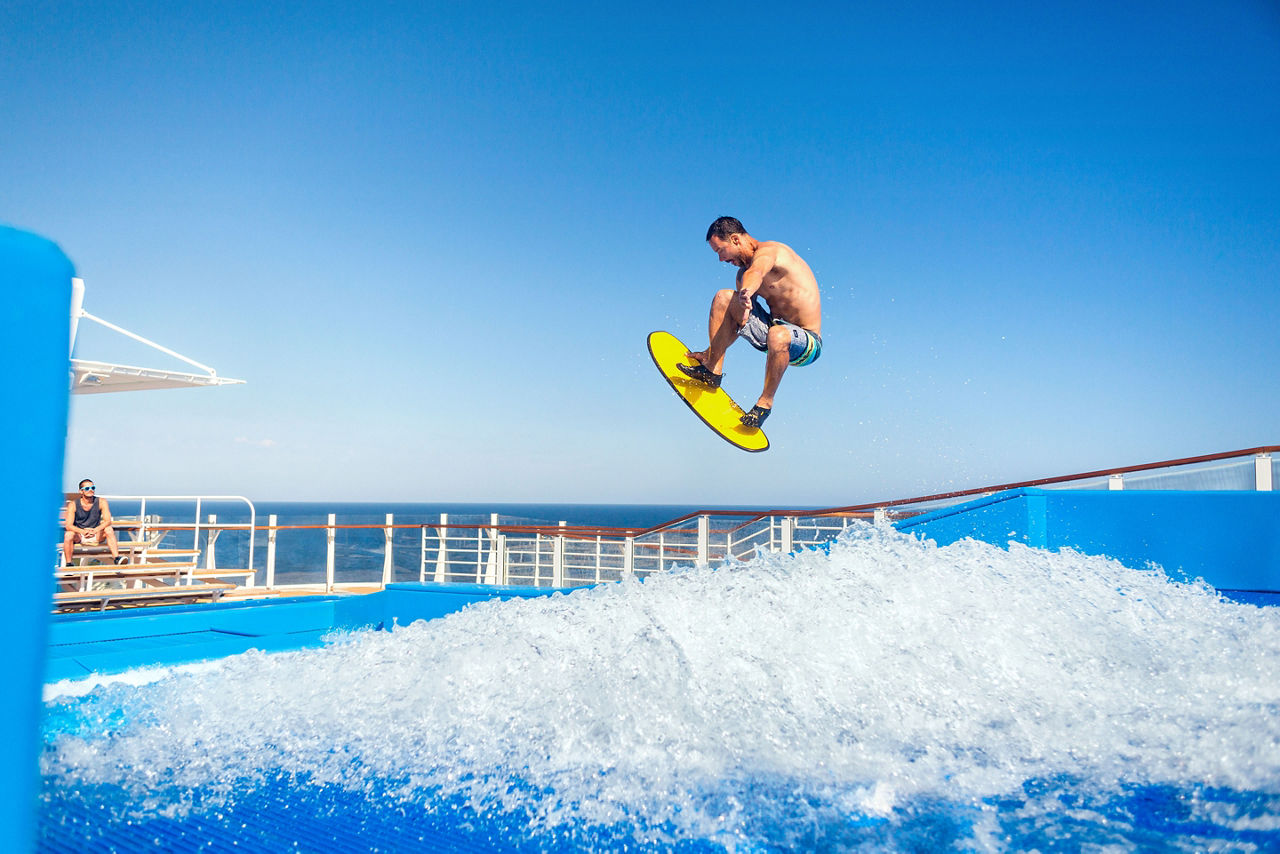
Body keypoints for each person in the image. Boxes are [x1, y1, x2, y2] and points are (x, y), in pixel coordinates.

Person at [682, 216, 823, 428]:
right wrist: (712, 349)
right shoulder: (741, 275)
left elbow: (757, 271)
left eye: (720, 251)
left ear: (736, 239)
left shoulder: (771, 252)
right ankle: (712, 369)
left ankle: (764, 404)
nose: (721, 260)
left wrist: (747, 292)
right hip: (772, 332)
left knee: (779, 334)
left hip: (807, 343)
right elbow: (737, 323)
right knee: (724, 298)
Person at [62, 479, 124, 566]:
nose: (91, 490)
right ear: (81, 491)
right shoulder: (73, 505)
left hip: (96, 534)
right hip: (80, 535)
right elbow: (68, 526)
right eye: (87, 488)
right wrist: (83, 531)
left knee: (109, 529)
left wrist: (95, 530)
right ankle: (68, 563)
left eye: (92, 487)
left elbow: (107, 521)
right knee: (68, 535)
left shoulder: (101, 502)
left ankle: (117, 558)